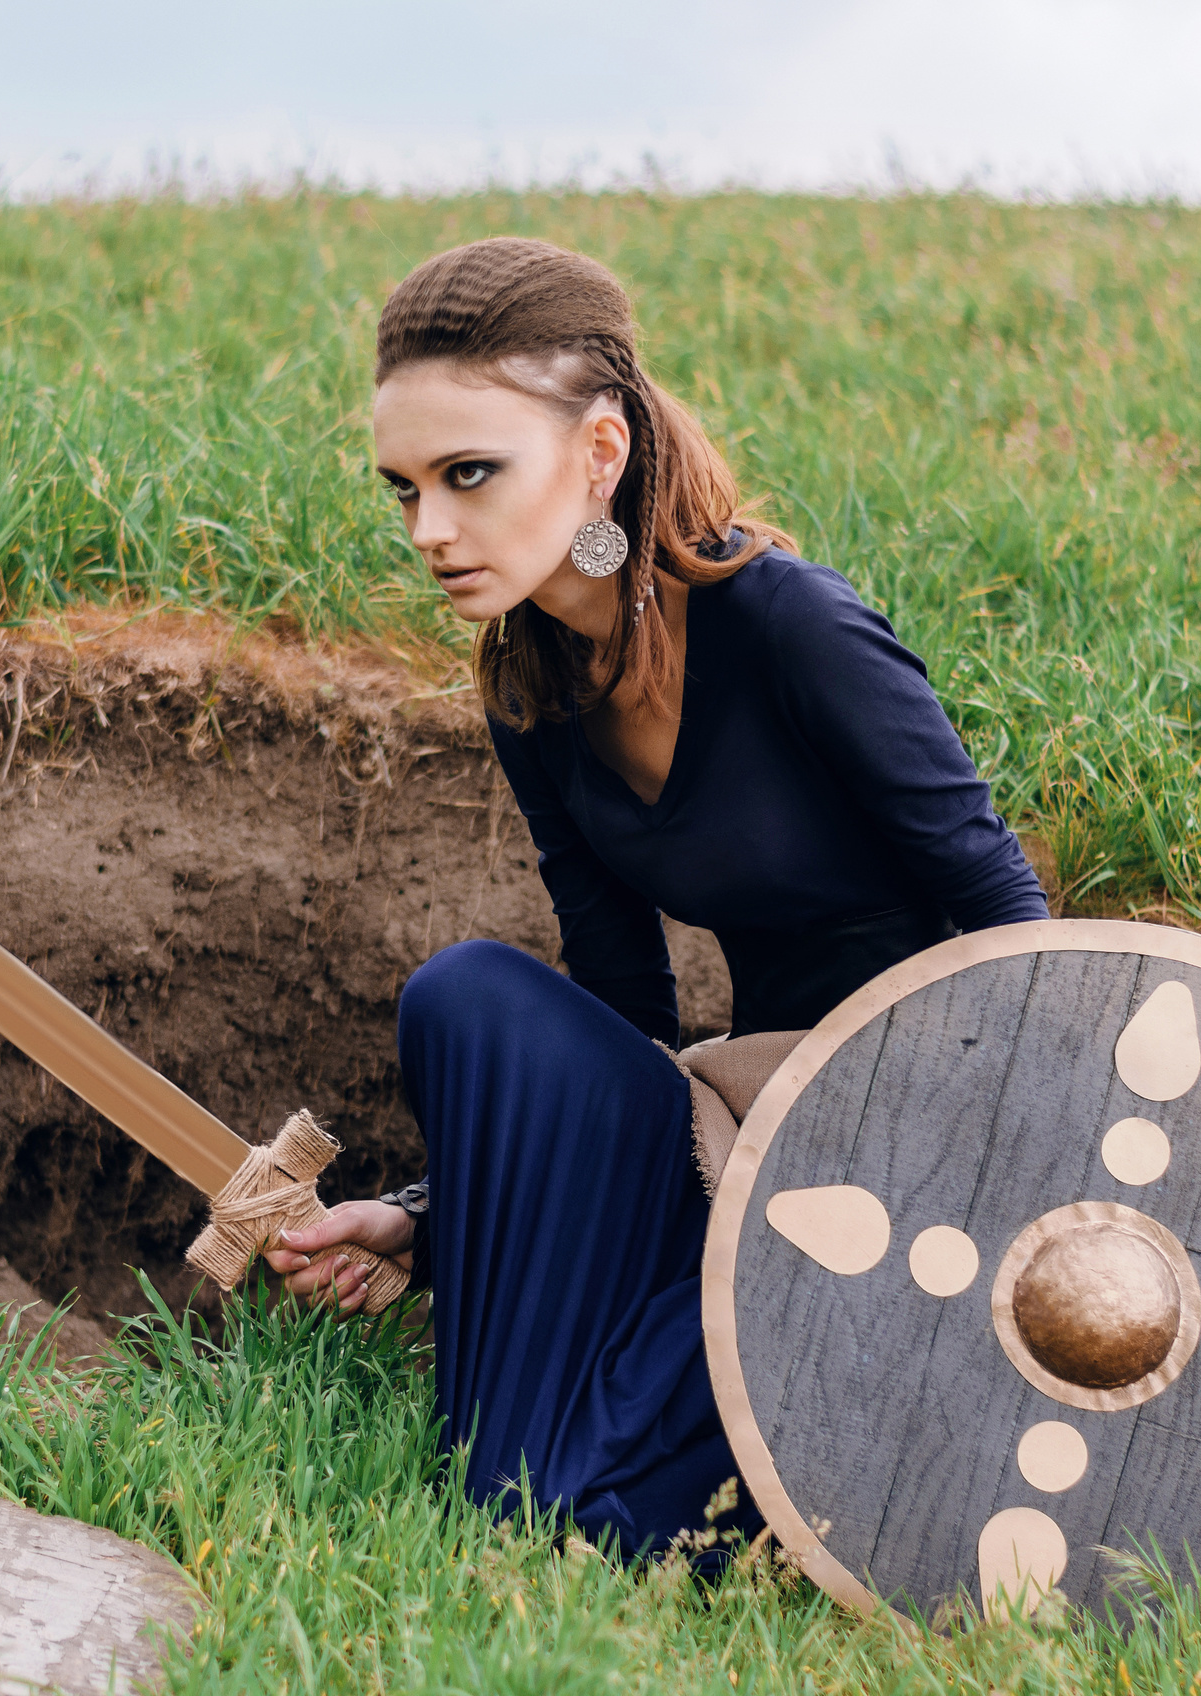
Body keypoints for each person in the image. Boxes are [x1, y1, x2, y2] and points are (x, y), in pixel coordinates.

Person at [263, 237, 1049, 1562]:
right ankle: (524, 1495)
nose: (430, 532)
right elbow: (619, 1017)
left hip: (917, 1129)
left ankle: (623, 1493)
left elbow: (1011, 917)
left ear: (600, 454)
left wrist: (1017, 1175)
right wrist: (427, 1218)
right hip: (745, 1111)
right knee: (469, 997)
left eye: (469, 476)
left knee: (614, 1494)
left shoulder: (789, 625)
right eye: (403, 490)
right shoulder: (535, 691)